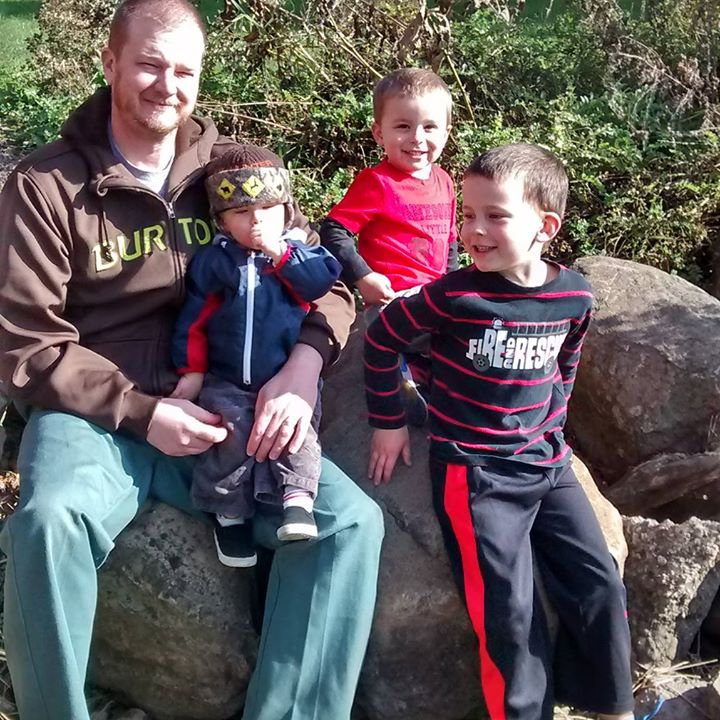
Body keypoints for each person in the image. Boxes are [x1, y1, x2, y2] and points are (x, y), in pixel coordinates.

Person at [0, 1, 383, 719]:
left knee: (348, 524)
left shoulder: (235, 172)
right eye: (149, 64)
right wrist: (141, 413)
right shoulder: (46, 186)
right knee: (47, 523)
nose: (167, 84)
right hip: (95, 414)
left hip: (229, 404)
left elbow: (325, 284)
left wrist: (303, 367)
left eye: (184, 70)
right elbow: (26, 344)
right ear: (110, 63)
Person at [364, 144, 635, 720]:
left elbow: (566, 361)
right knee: (508, 609)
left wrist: (554, 423)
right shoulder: (453, 296)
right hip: (477, 474)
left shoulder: (574, 295)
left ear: (546, 226)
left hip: (548, 464)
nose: (475, 230)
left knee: (600, 582)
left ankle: (610, 704)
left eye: (496, 216)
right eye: (467, 215)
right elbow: (383, 338)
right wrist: (389, 422)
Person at [171, 143, 342, 566]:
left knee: (296, 433)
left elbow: (321, 283)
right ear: (222, 221)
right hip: (226, 377)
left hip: (284, 374)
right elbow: (193, 320)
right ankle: (229, 515)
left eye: (268, 208)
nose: (257, 220)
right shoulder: (215, 262)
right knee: (228, 436)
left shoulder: (300, 253)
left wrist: (282, 253)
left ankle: (297, 501)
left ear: (286, 209)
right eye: (243, 212)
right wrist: (192, 371)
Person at [320, 67, 458, 423]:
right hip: (392, 300)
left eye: (430, 127)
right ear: (379, 133)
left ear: (446, 132)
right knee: (397, 329)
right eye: (403, 126)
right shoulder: (377, 182)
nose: (417, 138)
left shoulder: (445, 181)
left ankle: (429, 376)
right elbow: (333, 230)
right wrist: (363, 277)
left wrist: (455, 288)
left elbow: (450, 243)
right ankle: (402, 373)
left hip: (433, 298)